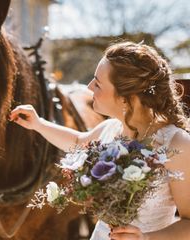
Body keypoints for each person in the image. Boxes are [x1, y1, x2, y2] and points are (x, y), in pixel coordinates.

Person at [10, 41, 190, 240]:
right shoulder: (111, 128)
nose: (89, 87)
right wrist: (39, 123)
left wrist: (146, 238)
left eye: (98, 83)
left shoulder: (177, 144)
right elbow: (79, 141)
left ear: (126, 97)